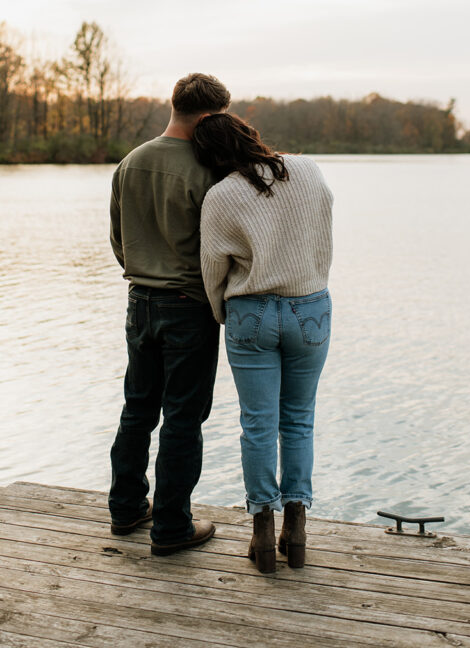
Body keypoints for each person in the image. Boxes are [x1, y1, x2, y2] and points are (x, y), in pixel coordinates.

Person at [191, 113, 333, 573]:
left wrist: (223, 314)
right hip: (309, 305)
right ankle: (298, 532)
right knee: (299, 421)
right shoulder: (307, 169)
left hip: (249, 313)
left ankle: (263, 535)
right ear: (250, 135)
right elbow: (324, 227)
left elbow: (212, 268)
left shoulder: (220, 195)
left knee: (257, 425)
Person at [108, 73, 231, 555]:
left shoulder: (130, 162)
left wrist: (144, 271)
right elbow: (219, 249)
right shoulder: (207, 169)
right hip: (188, 308)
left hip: (139, 303)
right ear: (209, 117)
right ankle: (172, 528)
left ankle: (126, 510)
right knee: (183, 417)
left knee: (137, 409)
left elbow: (119, 242)